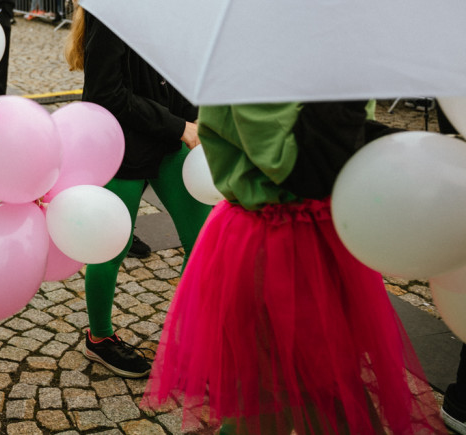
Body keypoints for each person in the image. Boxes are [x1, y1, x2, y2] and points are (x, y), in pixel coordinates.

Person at [142, 101, 444, 434]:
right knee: (317, 391)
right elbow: (297, 166)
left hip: (319, 236)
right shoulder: (260, 66)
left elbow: (349, 137)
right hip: (276, 245)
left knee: (275, 398)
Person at [64, 0, 212, 376]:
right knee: (109, 244)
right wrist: (178, 125)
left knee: (207, 244)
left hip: (172, 141)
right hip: (122, 145)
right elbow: (107, 93)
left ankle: (192, 335)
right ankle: (100, 337)